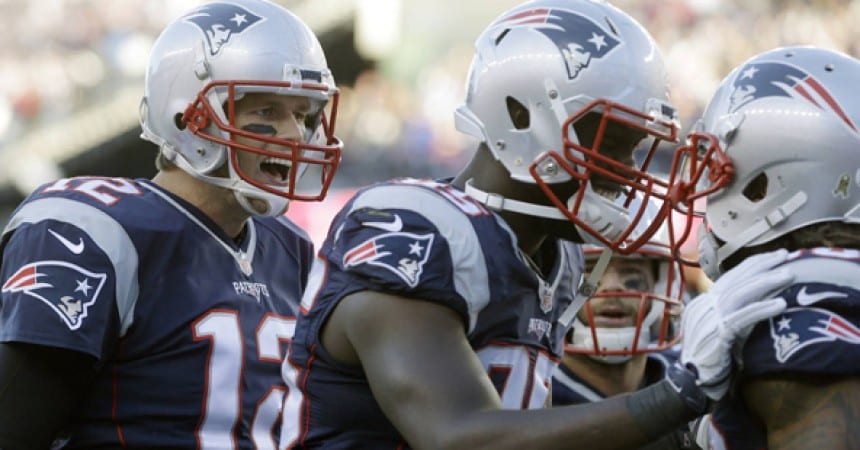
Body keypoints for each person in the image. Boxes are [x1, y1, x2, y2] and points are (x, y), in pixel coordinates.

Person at [280, 1, 795, 448]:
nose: (629, 171)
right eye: (612, 143)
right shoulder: (414, 229)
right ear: (522, 118)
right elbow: (459, 436)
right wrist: (681, 394)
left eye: (636, 148)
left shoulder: (557, 255)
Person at [0, 0, 342, 448]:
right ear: (186, 118)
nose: (296, 134)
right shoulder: (96, 232)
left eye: (302, 114)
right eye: (266, 112)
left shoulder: (290, 250)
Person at [673, 45, 860, 449]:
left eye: (719, 174)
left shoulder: (800, 333)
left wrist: (673, 399)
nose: (707, 191)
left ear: (770, 185)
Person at [553, 217, 697, 449]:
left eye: (631, 273)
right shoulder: (537, 390)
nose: (612, 286)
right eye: (589, 271)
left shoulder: (688, 378)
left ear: (662, 286)